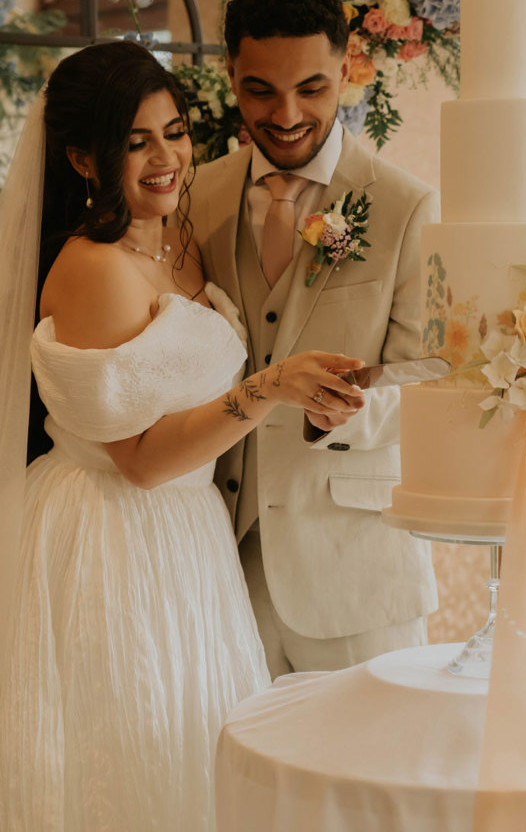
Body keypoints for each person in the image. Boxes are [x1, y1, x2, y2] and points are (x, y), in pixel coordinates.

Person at [0, 40, 364, 832]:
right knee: (127, 755)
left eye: (174, 131)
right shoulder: (96, 267)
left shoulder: (174, 236)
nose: (166, 157)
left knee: (194, 753)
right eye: (136, 143)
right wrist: (271, 386)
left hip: (190, 535)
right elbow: (140, 461)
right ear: (82, 159)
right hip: (111, 536)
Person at [190, 0, 439, 679]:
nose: (287, 113)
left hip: (356, 573)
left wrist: (341, 411)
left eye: (312, 88)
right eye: (259, 89)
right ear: (231, 72)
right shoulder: (196, 196)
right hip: (218, 568)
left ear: (346, 68)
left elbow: (434, 377)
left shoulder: (406, 206)